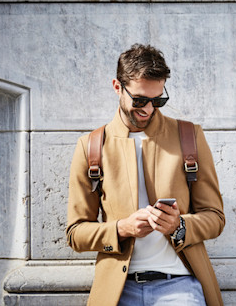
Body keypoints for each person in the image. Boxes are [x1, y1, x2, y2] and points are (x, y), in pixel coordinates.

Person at [66, 44, 225, 306]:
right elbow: (75, 233)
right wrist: (121, 229)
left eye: (158, 100)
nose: (149, 109)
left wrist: (179, 226)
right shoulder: (92, 145)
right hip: (118, 289)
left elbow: (215, 217)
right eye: (139, 100)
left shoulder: (189, 136)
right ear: (118, 87)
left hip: (179, 285)